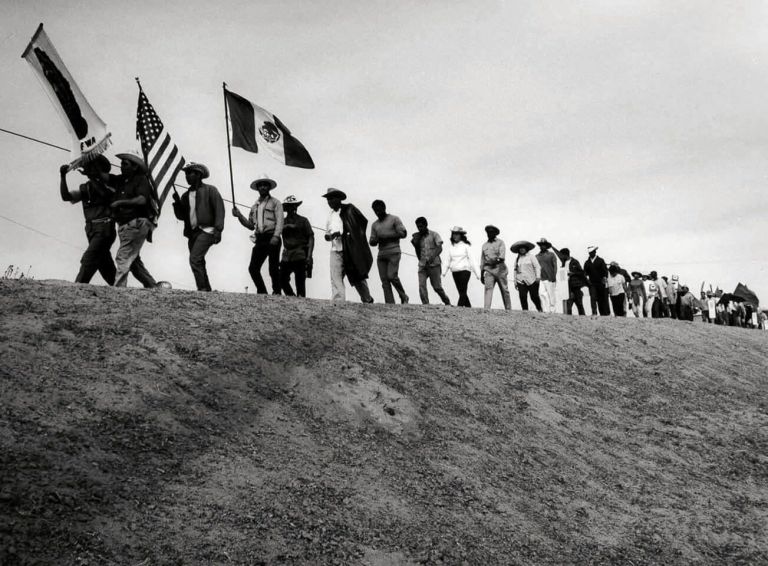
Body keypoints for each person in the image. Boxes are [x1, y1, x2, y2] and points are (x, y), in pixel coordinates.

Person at [58, 155, 117, 285]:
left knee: (89, 259)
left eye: (93, 167)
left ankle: (78, 286)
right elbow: (66, 196)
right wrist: (63, 177)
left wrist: (92, 175)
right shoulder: (87, 187)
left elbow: (105, 195)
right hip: (92, 230)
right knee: (104, 264)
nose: (88, 169)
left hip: (104, 229)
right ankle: (120, 288)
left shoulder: (110, 184)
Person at [171, 162, 224, 292]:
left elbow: (219, 209)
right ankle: (206, 290)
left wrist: (218, 229)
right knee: (199, 261)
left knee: (194, 259)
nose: (187, 176)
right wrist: (177, 203)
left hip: (207, 230)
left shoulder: (210, 190)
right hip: (192, 233)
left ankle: (202, 289)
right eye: (186, 174)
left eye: (190, 173)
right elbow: (181, 216)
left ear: (199, 174)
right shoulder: (185, 195)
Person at [111, 151, 159, 288]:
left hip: (136, 223)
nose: (121, 166)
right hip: (126, 225)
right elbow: (104, 177)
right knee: (133, 260)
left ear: (135, 167)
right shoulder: (120, 180)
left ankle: (119, 289)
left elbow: (141, 200)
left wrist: (120, 203)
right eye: (121, 163)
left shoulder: (141, 179)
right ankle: (152, 286)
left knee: (123, 256)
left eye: (125, 164)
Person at [233, 176, 283, 295]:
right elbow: (250, 225)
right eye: (260, 185)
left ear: (269, 187)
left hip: (272, 236)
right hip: (260, 238)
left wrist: (276, 236)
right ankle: (262, 292)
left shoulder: (276, 203)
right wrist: (239, 215)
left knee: (273, 268)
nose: (263, 187)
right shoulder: (254, 206)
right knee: (253, 268)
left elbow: (280, 220)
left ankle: (277, 292)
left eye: (265, 185)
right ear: (257, 188)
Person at [322, 188, 373, 303]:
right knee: (335, 277)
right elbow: (327, 234)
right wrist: (329, 236)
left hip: (350, 249)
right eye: (328, 199)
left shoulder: (349, 209)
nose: (329, 201)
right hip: (335, 250)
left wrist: (346, 234)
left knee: (358, 276)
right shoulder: (330, 216)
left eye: (332, 198)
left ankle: (367, 299)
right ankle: (338, 301)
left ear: (339, 198)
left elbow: (361, 223)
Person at [368, 200, 408, 304]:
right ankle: (390, 304)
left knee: (392, 276)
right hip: (381, 254)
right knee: (384, 281)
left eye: (379, 209)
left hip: (394, 251)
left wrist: (387, 237)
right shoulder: (374, 225)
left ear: (384, 208)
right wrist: (375, 240)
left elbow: (403, 233)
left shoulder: (394, 219)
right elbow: (371, 241)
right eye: (375, 210)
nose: (377, 212)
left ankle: (403, 296)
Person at [279, 195, 314, 297]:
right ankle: (292, 298)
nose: (290, 208)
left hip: (300, 254)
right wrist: (287, 226)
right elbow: (277, 231)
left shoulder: (303, 220)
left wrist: (309, 256)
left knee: (300, 283)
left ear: (296, 207)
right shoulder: (282, 222)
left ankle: (301, 303)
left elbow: (311, 237)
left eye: (292, 206)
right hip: (286, 255)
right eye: (288, 206)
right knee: (281, 279)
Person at [411, 217, 450, 305]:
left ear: (426, 225)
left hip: (434, 265)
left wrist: (433, 256)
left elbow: (439, 248)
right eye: (418, 227)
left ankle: (447, 302)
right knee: (422, 285)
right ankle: (426, 305)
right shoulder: (417, 237)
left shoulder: (434, 234)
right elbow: (417, 251)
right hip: (422, 265)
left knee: (437, 287)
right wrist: (416, 244)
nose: (419, 229)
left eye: (421, 226)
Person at [443, 226, 480, 308]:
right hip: (455, 272)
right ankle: (469, 308)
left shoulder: (466, 246)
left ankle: (458, 308)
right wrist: (443, 272)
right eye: (453, 234)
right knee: (461, 292)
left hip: (465, 271)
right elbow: (447, 260)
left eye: (457, 234)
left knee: (463, 291)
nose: (455, 236)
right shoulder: (451, 247)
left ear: (461, 235)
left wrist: (478, 274)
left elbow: (472, 260)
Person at [480, 225, 511, 310]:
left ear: (495, 233)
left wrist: (494, 261)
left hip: (500, 269)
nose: (489, 234)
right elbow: (482, 261)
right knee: (488, 289)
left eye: (491, 232)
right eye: (488, 232)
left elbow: (501, 257)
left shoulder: (500, 242)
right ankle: (486, 309)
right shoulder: (484, 245)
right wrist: (481, 274)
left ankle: (508, 309)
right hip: (488, 270)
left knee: (504, 290)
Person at [513, 241, 542, 312]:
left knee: (534, 297)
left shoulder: (531, 257)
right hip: (521, 281)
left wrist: (538, 277)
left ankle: (539, 309)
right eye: (520, 248)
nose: (522, 249)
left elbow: (537, 267)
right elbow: (515, 270)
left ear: (526, 249)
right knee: (522, 296)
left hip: (532, 280)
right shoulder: (517, 259)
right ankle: (525, 311)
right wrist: (515, 281)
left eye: (523, 248)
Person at [558, 247, 587, 315]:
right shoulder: (563, 263)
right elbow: (562, 276)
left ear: (565, 254)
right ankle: (569, 319)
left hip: (576, 286)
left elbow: (582, 272)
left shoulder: (575, 262)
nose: (561, 256)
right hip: (567, 287)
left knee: (579, 304)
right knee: (568, 306)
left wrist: (573, 273)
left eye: (562, 255)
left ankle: (583, 319)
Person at [583, 245, 610, 315]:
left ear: (595, 252)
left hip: (600, 283)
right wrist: (587, 281)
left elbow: (605, 271)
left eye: (592, 252)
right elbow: (584, 273)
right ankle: (594, 312)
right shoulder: (587, 262)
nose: (591, 254)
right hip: (592, 284)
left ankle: (603, 314)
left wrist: (604, 279)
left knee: (601, 299)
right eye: (590, 253)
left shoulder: (601, 260)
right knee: (593, 298)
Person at [535, 238, 558, 313]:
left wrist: (554, 276)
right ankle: (545, 310)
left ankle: (552, 310)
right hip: (541, 278)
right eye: (541, 245)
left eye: (544, 245)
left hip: (550, 278)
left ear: (546, 246)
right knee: (541, 294)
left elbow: (555, 266)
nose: (542, 246)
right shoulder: (537, 256)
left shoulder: (551, 255)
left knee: (551, 295)